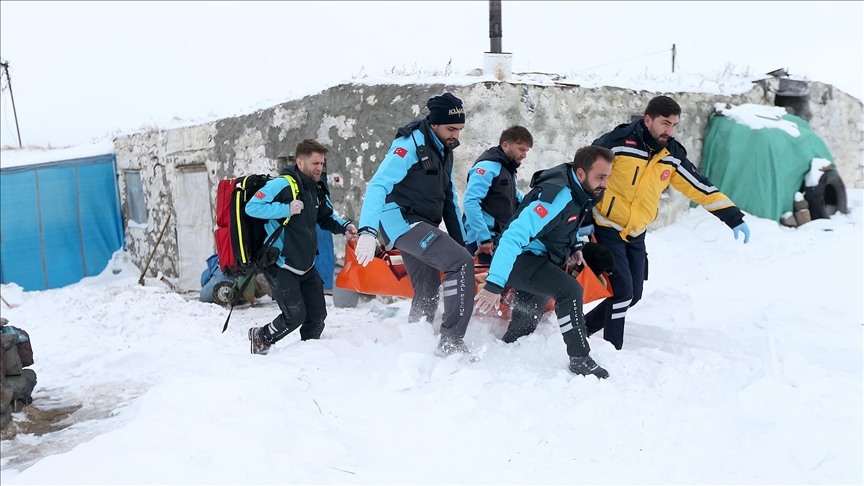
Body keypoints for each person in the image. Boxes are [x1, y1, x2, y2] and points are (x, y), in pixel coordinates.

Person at [585, 95, 751, 350]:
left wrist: (733, 216)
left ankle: (582, 328)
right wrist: (582, 216)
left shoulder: (671, 155)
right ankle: (612, 349)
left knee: (634, 295)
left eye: (674, 125)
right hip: (607, 226)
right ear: (648, 119)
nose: (669, 131)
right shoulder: (617, 144)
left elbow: (700, 187)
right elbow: (588, 175)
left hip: (636, 233)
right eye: (665, 123)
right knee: (622, 293)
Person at [474, 146, 616, 379]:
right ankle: (580, 358)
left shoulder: (580, 190)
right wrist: (493, 285)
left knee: (527, 321)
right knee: (569, 290)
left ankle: (505, 357)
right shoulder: (557, 195)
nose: (605, 184)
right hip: (518, 260)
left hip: (540, 258)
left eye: (607, 177)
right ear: (581, 173)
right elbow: (512, 237)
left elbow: (565, 224)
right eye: (600, 177)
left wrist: (574, 246)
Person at [354, 92, 475, 357]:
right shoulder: (410, 144)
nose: (456, 135)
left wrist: (460, 241)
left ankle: (415, 341)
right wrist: (367, 231)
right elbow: (378, 184)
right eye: (451, 128)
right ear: (434, 124)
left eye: (460, 129)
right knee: (460, 263)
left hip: (420, 223)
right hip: (402, 220)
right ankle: (451, 340)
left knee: (429, 286)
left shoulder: (444, 148)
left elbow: (449, 198)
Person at [246, 139, 358, 355]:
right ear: (300, 162)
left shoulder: (317, 188)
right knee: (294, 316)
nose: (319, 168)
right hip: (280, 263)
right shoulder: (283, 184)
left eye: (322, 163)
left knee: (317, 316)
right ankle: (261, 336)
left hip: (305, 265)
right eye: (315, 163)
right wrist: (285, 209)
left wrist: (344, 227)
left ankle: (307, 355)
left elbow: (325, 217)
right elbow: (253, 206)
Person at [463, 126, 533, 265]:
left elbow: (514, 196)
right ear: (505, 145)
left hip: (499, 237)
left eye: (526, 151)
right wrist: (483, 238)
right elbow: (471, 202)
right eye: (521, 149)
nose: (524, 155)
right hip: (484, 241)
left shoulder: (507, 167)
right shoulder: (487, 167)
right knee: (487, 282)